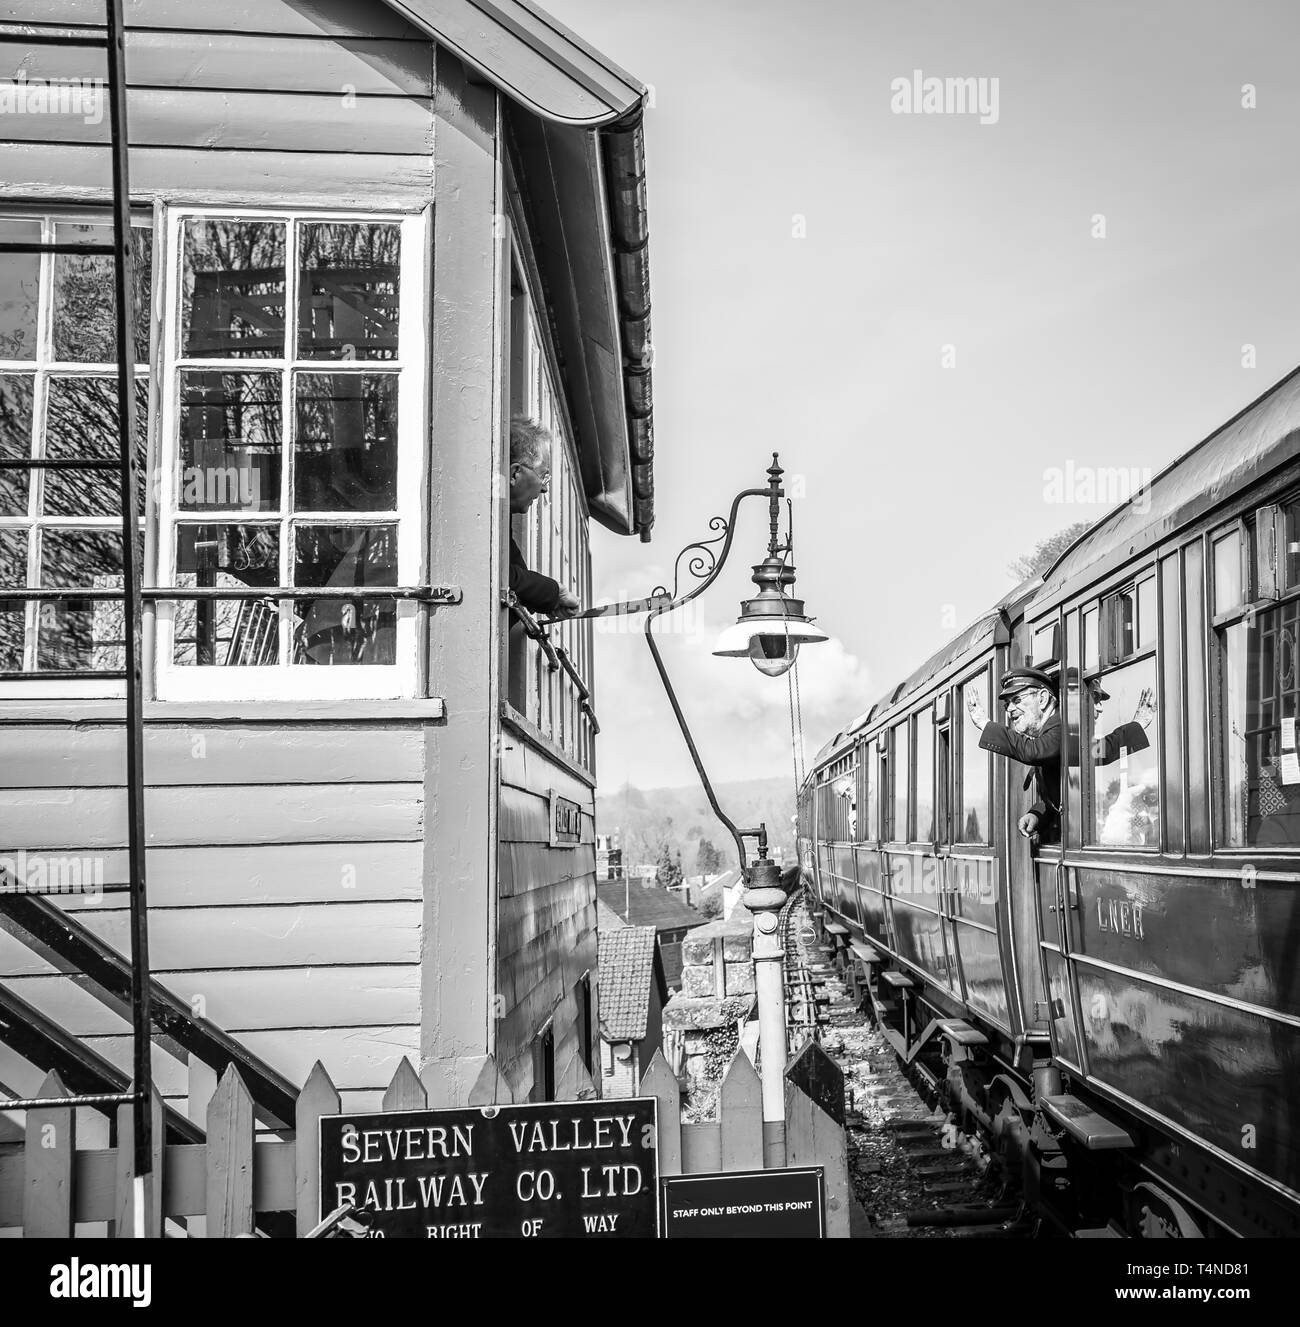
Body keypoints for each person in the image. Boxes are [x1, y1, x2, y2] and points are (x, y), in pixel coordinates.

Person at [967, 666, 1061, 843]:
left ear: (1043, 698)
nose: (1010, 709)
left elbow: (1034, 751)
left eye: (1016, 699)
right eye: (1007, 704)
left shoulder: (1062, 724)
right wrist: (1037, 814)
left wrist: (984, 723)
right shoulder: (1046, 734)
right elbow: (1062, 796)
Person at [508, 417, 579, 617]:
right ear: (514, 474)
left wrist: (548, 599)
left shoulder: (497, 518)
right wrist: (554, 592)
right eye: (543, 476)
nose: (544, 488)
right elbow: (501, 575)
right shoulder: (487, 514)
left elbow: (515, 576)